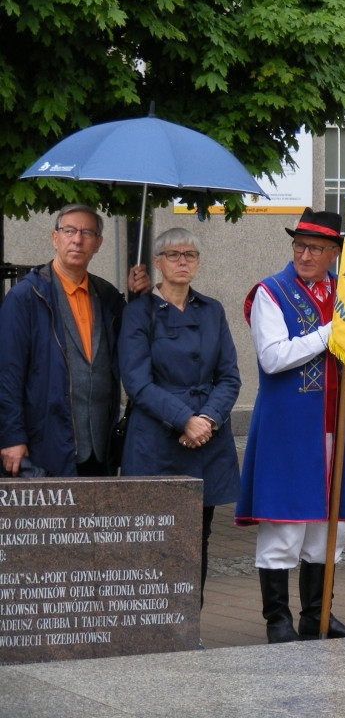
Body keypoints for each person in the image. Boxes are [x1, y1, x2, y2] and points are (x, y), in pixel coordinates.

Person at [234, 208, 345, 643]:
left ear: (335, 253)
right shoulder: (270, 294)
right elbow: (273, 358)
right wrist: (329, 333)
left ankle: (318, 616)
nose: (304, 254)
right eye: (299, 245)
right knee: (286, 524)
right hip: (289, 428)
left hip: (335, 424)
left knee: (330, 528)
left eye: (315, 247)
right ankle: (278, 621)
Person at [118, 227, 241, 609]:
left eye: (190, 254)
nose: (183, 261)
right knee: (154, 537)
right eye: (173, 255)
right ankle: (152, 621)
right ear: (157, 262)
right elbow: (137, 382)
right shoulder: (138, 313)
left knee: (196, 537)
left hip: (206, 441)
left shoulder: (213, 310)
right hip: (157, 442)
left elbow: (229, 376)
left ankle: (191, 621)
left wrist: (207, 419)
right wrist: (184, 419)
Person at [0, 204, 149, 478]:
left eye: (87, 233)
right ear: (55, 238)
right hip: (45, 445)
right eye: (69, 231)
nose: (77, 239)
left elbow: (139, 345)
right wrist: (11, 436)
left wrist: (142, 297)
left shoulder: (108, 299)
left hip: (98, 447)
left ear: (98, 243)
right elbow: (7, 375)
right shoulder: (26, 298)